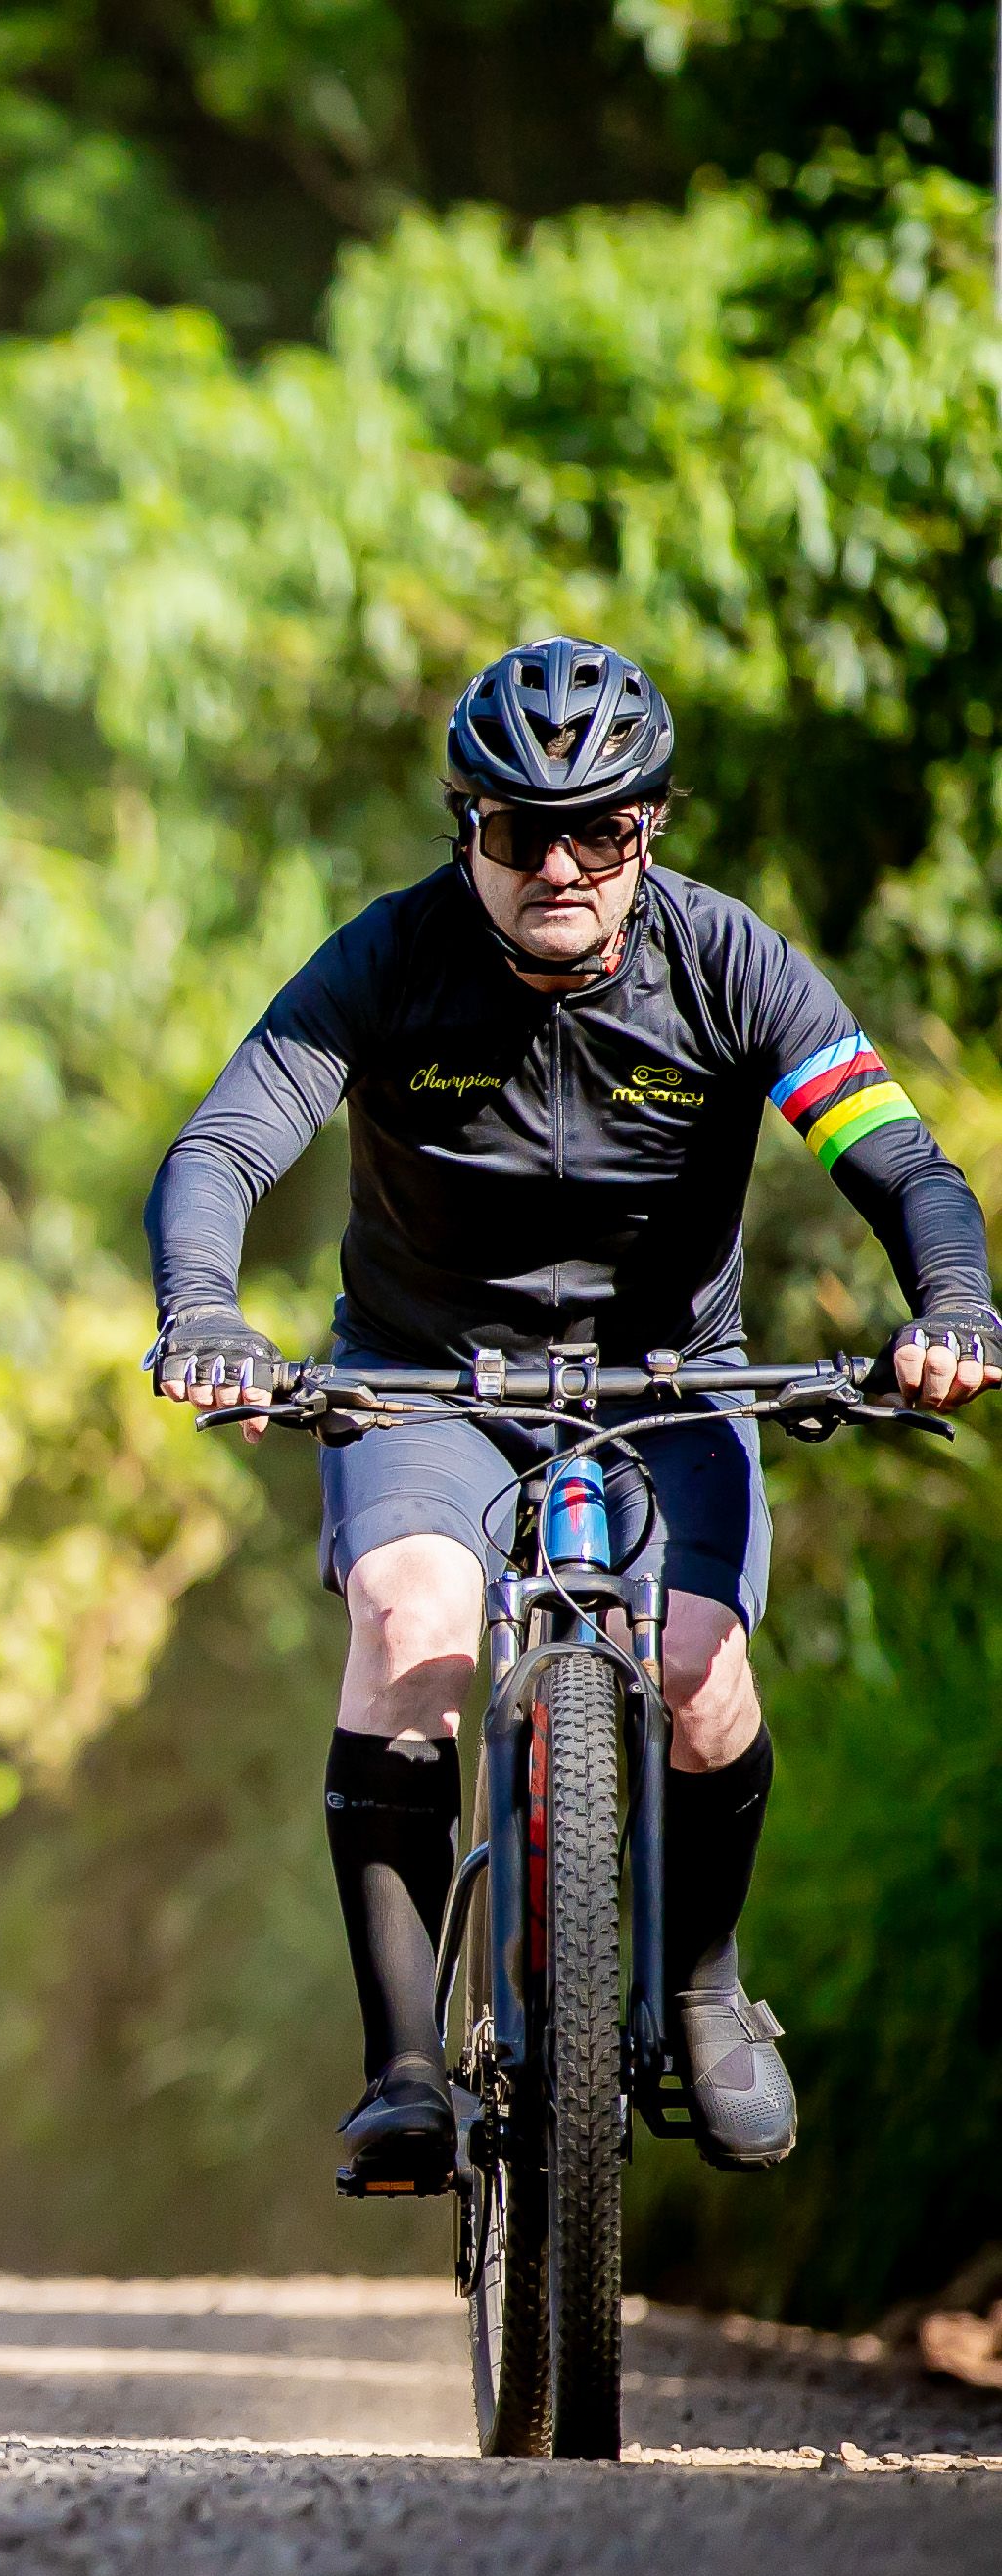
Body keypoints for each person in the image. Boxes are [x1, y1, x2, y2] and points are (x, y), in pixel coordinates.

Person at [146, 636, 998, 2195]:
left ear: (647, 827)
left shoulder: (730, 964)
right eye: (516, 829)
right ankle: (405, 2068)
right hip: (426, 1377)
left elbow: (900, 1162)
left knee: (702, 1670)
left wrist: (953, 1307)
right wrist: (204, 1312)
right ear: (462, 828)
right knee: (414, 1629)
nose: (558, 866)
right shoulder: (389, 959)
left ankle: (703, 1986)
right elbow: (224, 1147)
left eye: (597, 829)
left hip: (669, 1380)